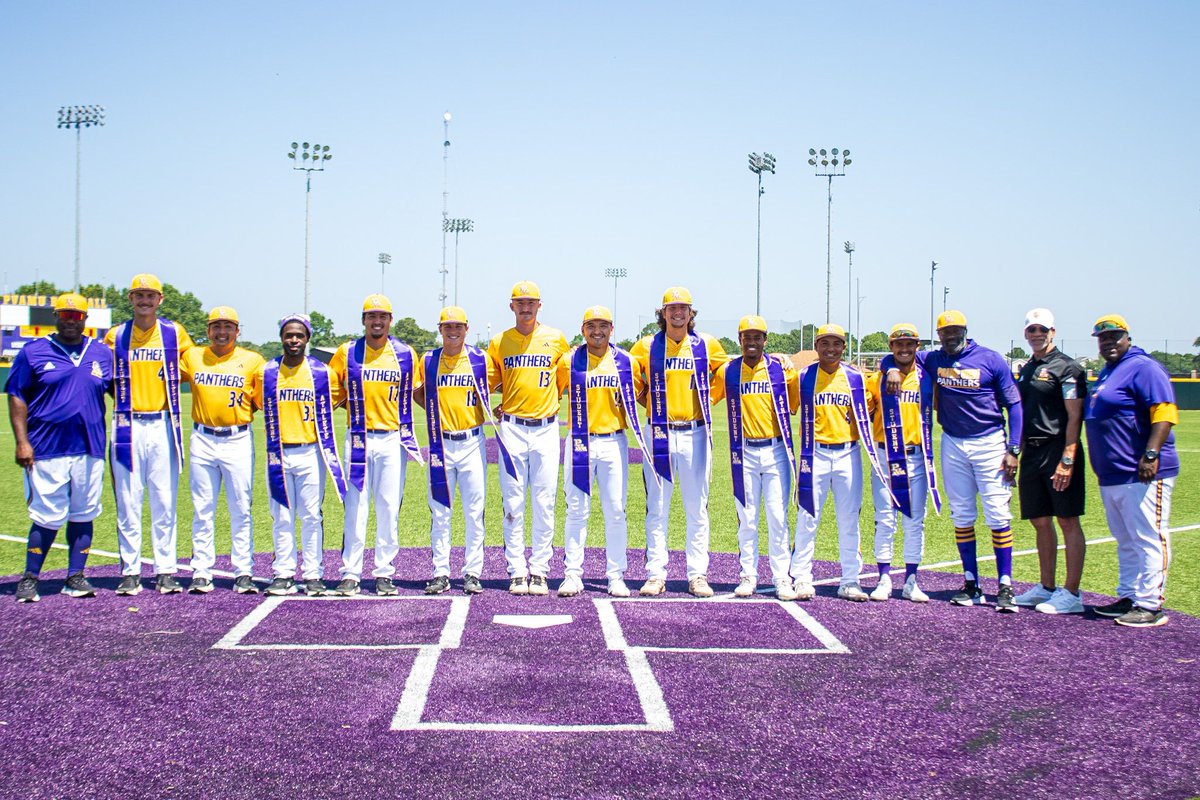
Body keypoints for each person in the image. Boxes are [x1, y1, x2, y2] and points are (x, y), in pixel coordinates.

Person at [886, 310, 1024, 611]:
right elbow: (899, 355)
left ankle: (1005, 585)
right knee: (962, 514)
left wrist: (1013, 449)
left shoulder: (991, 359)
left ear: (965, 329)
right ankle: (971, 583)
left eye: (955, 330)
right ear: (938, 336)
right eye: (945, 332)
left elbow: (1014, 404)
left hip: (989, 441)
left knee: (998, 514)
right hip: (952, 442)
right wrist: (889, 370)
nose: (950, 336)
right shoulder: (934, 359)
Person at [8, 293, 112, 602]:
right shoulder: (33, 352)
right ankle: (30, 577)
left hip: (90, 446)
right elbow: (16, 396)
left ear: (85, 320)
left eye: (76, 316)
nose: (71, 321)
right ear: (56, 317)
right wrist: (22, 441)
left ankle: (75, 576)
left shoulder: (101, 353)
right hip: (46, 447)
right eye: (65, 315)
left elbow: (117, 394)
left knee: (84, 512)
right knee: (46, 515)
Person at [630, 287, 728, 597]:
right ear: (662, 313)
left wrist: (706, 400)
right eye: (671, 307)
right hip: (659, 431)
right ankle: (656, 573)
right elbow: (633, 383)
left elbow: (728, 374)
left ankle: (697, 574)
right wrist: (654, 407)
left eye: (683, 307)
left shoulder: (707, 344)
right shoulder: (645, 346)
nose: (677, 312)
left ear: (691, 312)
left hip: (696, 432)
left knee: (696, 507)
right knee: (657, 507)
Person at [1085, 314, 1179, 628]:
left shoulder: (1144, 367)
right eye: (1102, 338)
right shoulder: (1110, 371)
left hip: (1142, 471)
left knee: (1149, 537)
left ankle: (1151, 604)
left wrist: (1151, 453)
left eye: (1114, 336)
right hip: (1113, 473)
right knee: (1125, 539)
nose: (1108, 342)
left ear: (1128, 337)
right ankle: (1129, 595)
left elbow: (1164, 411)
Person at [104, 274, 195, 595]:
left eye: (150, 295)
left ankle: (165, 569)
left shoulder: (175, 333)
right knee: (128, 500)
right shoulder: (116, 335)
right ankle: (130, 570)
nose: (145, 301)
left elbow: (192, 367)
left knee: (164, 500)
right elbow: (106, 378)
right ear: (130, 298)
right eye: (139, 295)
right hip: (127, 422)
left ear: (160, 300)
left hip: (163, 423)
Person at [329, 294, 423, 597]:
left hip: (393, 439)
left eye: (382, 316)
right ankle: (351, 572)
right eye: (372, 316)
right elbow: (333, 391)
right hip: (358, 438)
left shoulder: (406, 353)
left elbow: (417, 392)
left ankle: (384, 572)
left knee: (387, 507)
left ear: (390, 320)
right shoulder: (346, 352)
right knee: (355, 507)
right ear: (363, 320)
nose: (377, 321)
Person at [791, 323, 889, 602]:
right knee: (807, 517)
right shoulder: (803, 377)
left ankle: (850, 579)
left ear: (844, 347)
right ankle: (801, 578)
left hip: (848, 453)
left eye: (836, 344)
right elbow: (790, 403)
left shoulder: (857, 378)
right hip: (814, 453)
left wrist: (891, 367)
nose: (830, 349)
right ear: (817, 346)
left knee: (848, 519)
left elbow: (876, 397)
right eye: (824, 343)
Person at [559, 305, 650, 598]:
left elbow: (640, 393)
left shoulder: (626, 361)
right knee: (576, 511)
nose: (596, 331)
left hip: (613, 441)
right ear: (582, 329)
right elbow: (550, 391)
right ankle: (572, 574)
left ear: (612, 328)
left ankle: (615, 576)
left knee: (615, 511)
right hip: (579, 441)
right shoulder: (568, 360)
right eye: (591, 326)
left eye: (603, 326)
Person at [487, 281, 570, 596]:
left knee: (545, 501)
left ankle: (540, 570)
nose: (525, 307)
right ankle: (516, 570)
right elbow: (494, 382)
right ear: (511, 306)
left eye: (531, 302)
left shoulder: (556, 339)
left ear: (539, 305)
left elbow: (561, 381)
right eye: (520, 302)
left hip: (547, 427)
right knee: (513, 501)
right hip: (512, 428)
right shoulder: (499, 342)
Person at [256, 314, 347, 596]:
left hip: (310, 452)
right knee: (281, 515)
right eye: (288, 335)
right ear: (281, 337)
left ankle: (312, 574)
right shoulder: (266, 372)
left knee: (310, 515)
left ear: (307, 338)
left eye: (299, 335)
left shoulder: (322, 372)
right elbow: (257, 403)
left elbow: (338, 399)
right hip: (278, 452)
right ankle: (283, 572)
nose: (293, 340)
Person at [710, 316, 799, 601]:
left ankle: (781, 577)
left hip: (775, 452)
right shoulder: (729, 371)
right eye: (747, 337)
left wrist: (788, 361)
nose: (752, 341)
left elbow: (798, 404)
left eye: (757, 337)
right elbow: (704, 395)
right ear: (740, 340)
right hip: (743, 451)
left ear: (765, 339)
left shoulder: (781, 371)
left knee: (777, 517)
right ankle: (748, 575)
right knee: (747, 519)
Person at [179, 306, 265, 594]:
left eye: (227, 326)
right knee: (203, 508)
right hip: (202, 437)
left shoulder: (252, 360)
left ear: (237, 331)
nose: (221, 332)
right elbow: (164, 377)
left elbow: (260, 399)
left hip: (237, 438)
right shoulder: (192, 356)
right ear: (208, 330)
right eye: (216, 326)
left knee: (241, 507)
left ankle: (243, 571)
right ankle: (202, 571)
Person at [415, 306, 496, 595]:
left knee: (474, 511)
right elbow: (417, 392)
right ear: (440, 329)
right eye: (448, 326)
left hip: (473, 441)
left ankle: (472, 572)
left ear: (466, 328)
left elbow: (496, 385)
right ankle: (440, 572)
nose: (453, 331)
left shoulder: (479, 358)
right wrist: (435, 414)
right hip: (441, 443)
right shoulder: (429, 360)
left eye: (458, 326)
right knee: (440, 511)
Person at [1013, 309, 1088, 614]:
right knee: (1039, 520)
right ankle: (1046, 586)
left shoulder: (1067, 368)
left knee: (1067, 519)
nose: (1037, 334)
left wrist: (1068, 456)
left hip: (1058, 448)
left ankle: (1071, 593)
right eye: (1032, 330)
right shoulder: (1027, 368)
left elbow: (1075, 415)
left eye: (1042, 329)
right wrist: (1015, 452)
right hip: (1031, 452)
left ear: (1053, 331)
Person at [865, 323, 942, 603]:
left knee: (914, 521)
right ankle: (884, 577)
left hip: (916, 457)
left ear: (918, 346)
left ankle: (911, 579)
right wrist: (889, 368)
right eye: (899, 345)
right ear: (891, 347)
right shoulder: (877, 378)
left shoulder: (926, 378)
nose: (905, 349)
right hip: (885, 456)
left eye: (910, 344)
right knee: (885, 520)